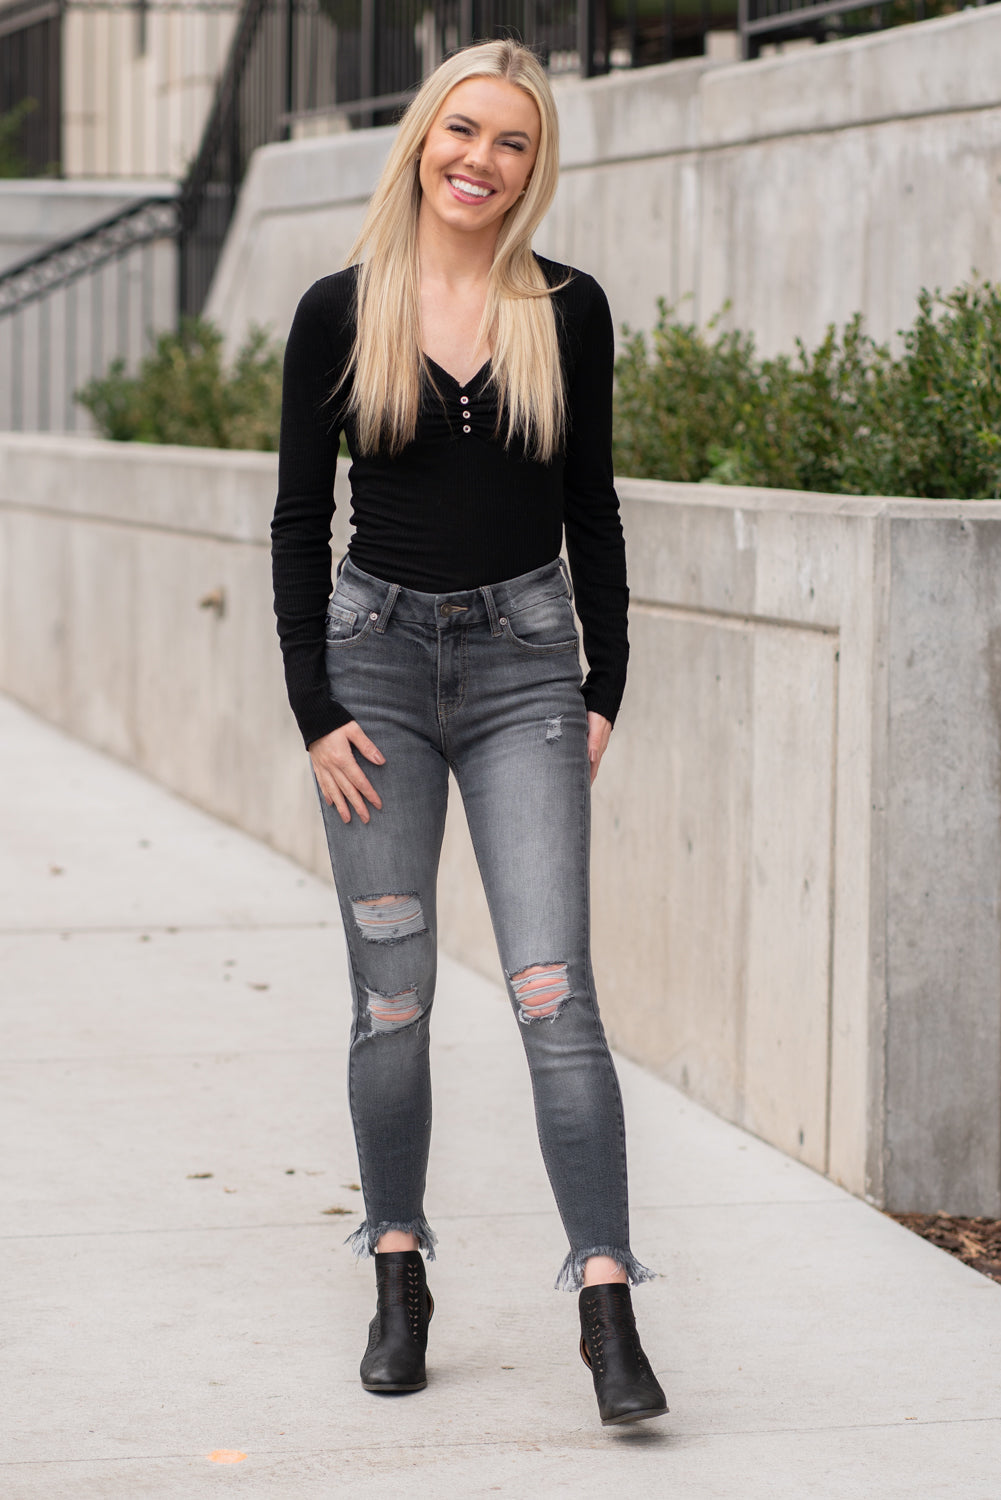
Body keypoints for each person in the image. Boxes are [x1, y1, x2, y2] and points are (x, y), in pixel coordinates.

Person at [271, 37, 667, 1427]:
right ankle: (398, 1273)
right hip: (372, 676)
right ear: (422, 139)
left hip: (524, 673)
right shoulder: (340, 309)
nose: (479, 160)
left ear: (531, 165)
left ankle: (607, 1306)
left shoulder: (568, 308)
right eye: (462, 130)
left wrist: (605, 683)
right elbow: (298, 516)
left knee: (554, 995)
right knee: (392, 1000)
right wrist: (315, 707)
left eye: (510, 141)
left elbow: (593, 507)